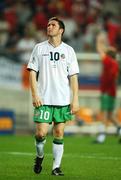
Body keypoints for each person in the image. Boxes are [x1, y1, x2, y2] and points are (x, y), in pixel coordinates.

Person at [27, 17, 79, 176]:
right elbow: (32, 72)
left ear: (61, 30)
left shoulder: (69, 50)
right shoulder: (39, 48)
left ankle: (56, 167)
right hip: (43, 99)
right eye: (48, 24)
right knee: (40, 133)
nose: (49, 27)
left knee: (59, 134)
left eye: (53, 25)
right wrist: (35, 94)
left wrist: (75, 99)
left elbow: (73, 77)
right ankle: (39, 156)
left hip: (62, 99)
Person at [94, 33, 121, 144]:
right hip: (112, 91)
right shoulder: (115, 63)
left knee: (104, 114)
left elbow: (100, 50)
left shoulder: (109, 61)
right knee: (110, 115)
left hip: (107, 92)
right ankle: (120, 130)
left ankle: (101, 137)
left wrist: (99, 40)